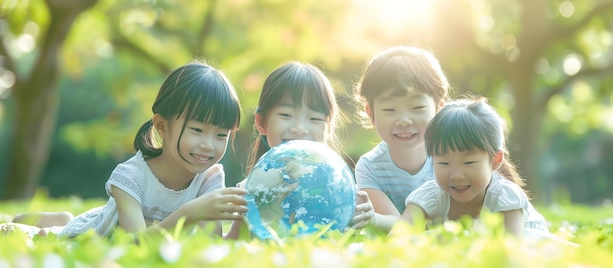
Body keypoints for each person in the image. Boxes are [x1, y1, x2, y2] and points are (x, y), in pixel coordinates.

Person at [0, 61, 248, 238]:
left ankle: (65, 217)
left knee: (77, 217)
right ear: (162, 125)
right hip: (94, 236)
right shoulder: (130, 177)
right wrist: (189, 212)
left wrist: (242, 220)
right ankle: (50, 223)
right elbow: (134, 243)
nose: (209, 144)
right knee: (49, 236)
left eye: (221, 135)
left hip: (123, 224)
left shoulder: (210, 179)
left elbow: (211, 243)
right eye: (197, 130)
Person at [225, 61, 374, 239]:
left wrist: (364, 217)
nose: (300, 128)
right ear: (261, 122)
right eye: (286, 115)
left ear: (329, 127)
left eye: (314, 118)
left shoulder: (339, 188)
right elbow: (232, 243)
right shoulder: (252, 190)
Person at [393, 96, 556, 240]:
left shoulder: (505, 196)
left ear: (495, 160)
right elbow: (396, 241)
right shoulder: (430, 196)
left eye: (468, 162)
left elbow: (511, 250)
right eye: (444, 163)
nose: (456, 175)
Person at [353, 45, 451, 231]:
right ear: (371, 113)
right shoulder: (369, 167)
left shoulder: (453, 156)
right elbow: (400, 229)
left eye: (417, 108)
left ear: (438, 109)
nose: (404, 120)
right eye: (390, 109)